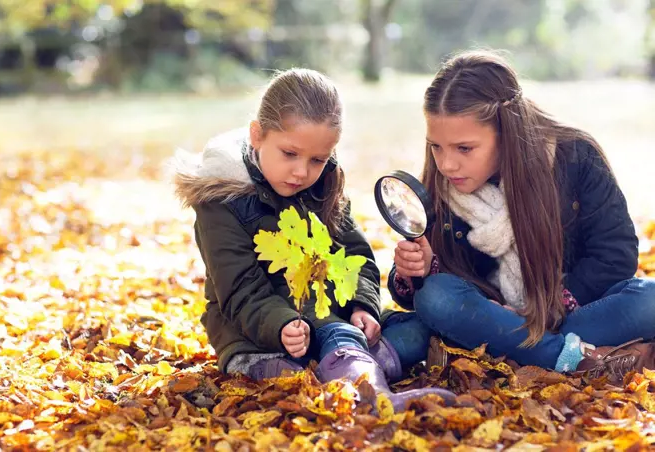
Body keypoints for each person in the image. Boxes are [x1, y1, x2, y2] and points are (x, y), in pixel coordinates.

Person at [172, 68, 454, 411]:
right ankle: (370, 393)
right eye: (289, 154)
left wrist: (362, 306)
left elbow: (355, 255)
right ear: (257, 135)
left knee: (420, 330)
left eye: (317, 159)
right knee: (289, 373)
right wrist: (281, 326)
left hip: (330, 320)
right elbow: (240, 289)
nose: (301, 172)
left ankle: (347, 368)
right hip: (256, 337)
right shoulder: (222, 201)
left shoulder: (323, 186)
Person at [389, 50, 655, 385]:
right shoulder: (443, 185)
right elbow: (434, 291)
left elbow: (616, 253)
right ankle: (575, 359)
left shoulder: (574, 156)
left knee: (650, 300)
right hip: (493, 315)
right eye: (436, 147)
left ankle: (515, 352)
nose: (447, 164)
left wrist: (549, 310)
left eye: (464, 148)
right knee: (435, 297)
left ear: (506, 132)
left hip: (569, 310)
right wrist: (421, 269)